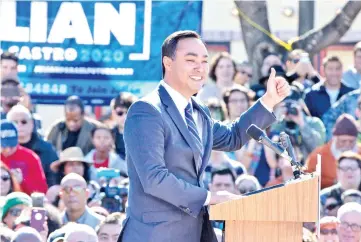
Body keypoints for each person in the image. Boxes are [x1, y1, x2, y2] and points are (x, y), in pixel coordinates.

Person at [118, 30, 290, 242]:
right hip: (155, 235)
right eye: (191, 60)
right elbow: (154, 178)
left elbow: (233, 136)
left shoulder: (198, 110)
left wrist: (268, 100)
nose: (200, 67)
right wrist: (210, 197)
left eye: (204, 61)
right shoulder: (146, 111)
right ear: (168, 63)